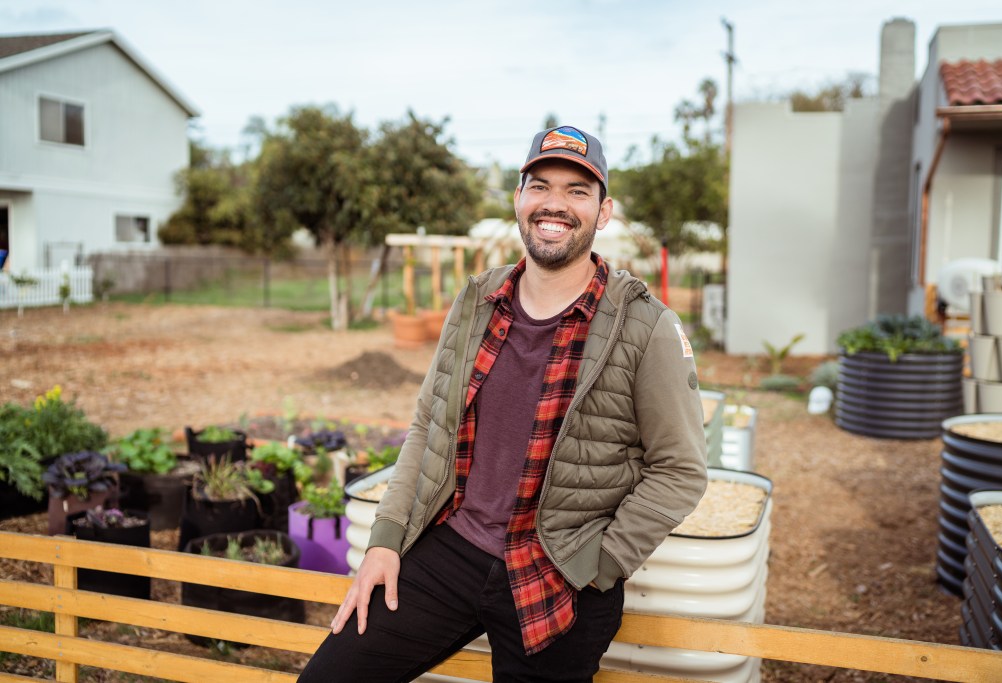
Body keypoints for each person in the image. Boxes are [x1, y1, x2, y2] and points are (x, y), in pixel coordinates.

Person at [298, 125, 708, 683]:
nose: (554, 204)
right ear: (519, 198)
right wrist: (386, 542)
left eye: (577, 191)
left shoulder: (646, 325)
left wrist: (601, 565)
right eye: (540, 186)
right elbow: (428, 425)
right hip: (453, 548)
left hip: (558, 568)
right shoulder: (477, 300)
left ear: (603, 211)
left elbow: (680, 469)